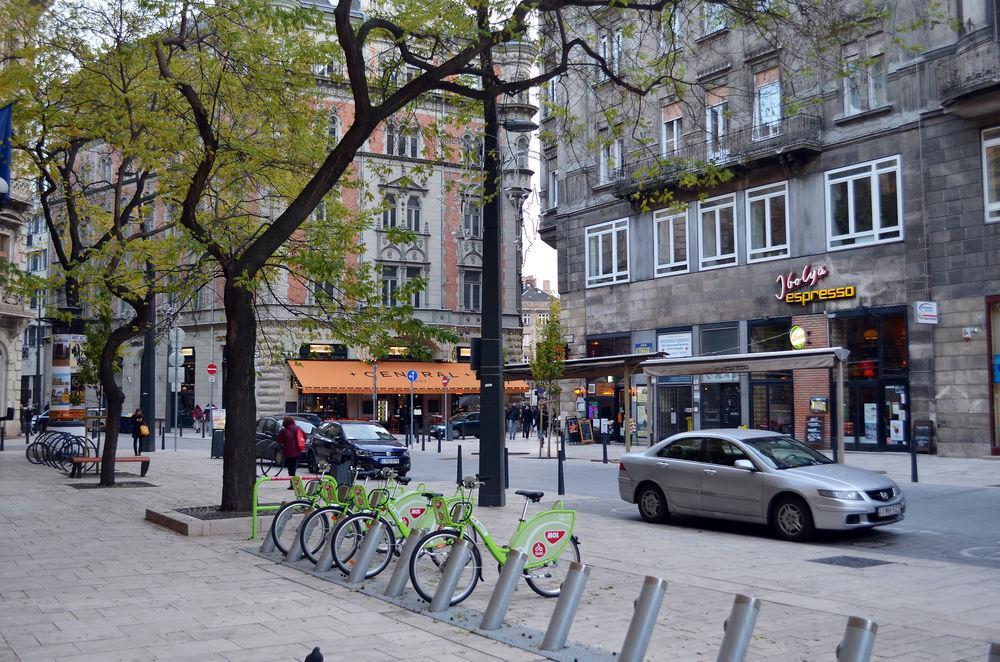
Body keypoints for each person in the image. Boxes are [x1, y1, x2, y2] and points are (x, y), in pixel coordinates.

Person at [276, 415, 304, 488]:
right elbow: (304, 436)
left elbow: (278, 441)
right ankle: (294, 484)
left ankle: (293, 484)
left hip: (288, 453)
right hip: (297, 452)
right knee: (293, 468)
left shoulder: (284, 431)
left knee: (290, 469)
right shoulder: (297, 428)